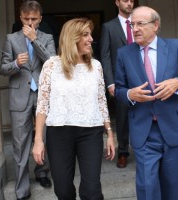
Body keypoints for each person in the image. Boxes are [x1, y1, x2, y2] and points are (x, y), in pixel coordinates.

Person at [115, 6, 178, 200]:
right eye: (132, 24)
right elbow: (119, 90)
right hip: (144, 131)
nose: (134, 29)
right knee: (147, 187)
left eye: (140, 24)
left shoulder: (174, 46)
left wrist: (177, 83)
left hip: (173, 128)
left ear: (155, 25)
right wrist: (130, 94)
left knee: (172, 187)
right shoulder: (124, 54)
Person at [32, 18, 116, 200]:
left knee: (92, 191)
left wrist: (109, 133)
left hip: (91, 133)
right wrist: (38, 140)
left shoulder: (96, 66)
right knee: (62, 190)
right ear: (72, 38)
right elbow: (42, 105)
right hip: (59, 133)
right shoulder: (51, 66)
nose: (91, 39)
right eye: (85, 35)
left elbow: (101, 101)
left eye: (90, 34)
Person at [0, 1, 56, 199]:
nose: (30, 23)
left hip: (42, 94)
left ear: (40, 18)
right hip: (19, 95)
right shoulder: (11, 39)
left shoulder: (47, 38)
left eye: (34, 19)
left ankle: (42, 172)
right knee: (19, 142)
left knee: (45, 137)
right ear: (20, 18)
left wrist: (34, 41)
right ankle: (21, 188)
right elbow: (3, 68)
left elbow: (52, 62)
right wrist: (15, 63)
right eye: (26, 19)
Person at [100, 0, 134, 168]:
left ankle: (145, 149)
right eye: (125, 0)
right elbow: (105, 56)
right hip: (120, 80)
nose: (129, 3)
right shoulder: (109, 27)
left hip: (141, 78)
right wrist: (110, 82)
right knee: (122, 118)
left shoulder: (140, 23)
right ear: (117, 2)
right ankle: (123, 152)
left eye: (132, 0)